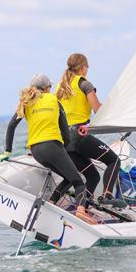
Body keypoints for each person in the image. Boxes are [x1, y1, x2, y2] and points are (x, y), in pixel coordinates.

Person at [0, 73, 90, 210]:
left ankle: (51, 203)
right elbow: (65, 131)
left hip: (36, 151)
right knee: (79, 182)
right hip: (53, 147)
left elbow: (11, 126)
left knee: (68, 177)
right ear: (47, 88)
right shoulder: (54, 100)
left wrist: (7, 151)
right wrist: (63, 149)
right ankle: (81, 210)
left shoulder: (26, 101)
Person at [54, 53, 125, 208]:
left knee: (92, 176)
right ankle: (107, 195)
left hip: (64, 140)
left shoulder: (60, 87)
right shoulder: (84, 84)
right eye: (87, 66)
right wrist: (117, 116)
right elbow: (97, 109)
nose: (88, 69)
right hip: (79, 135)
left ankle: (81, 207)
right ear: (82, 67)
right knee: (114, 160)